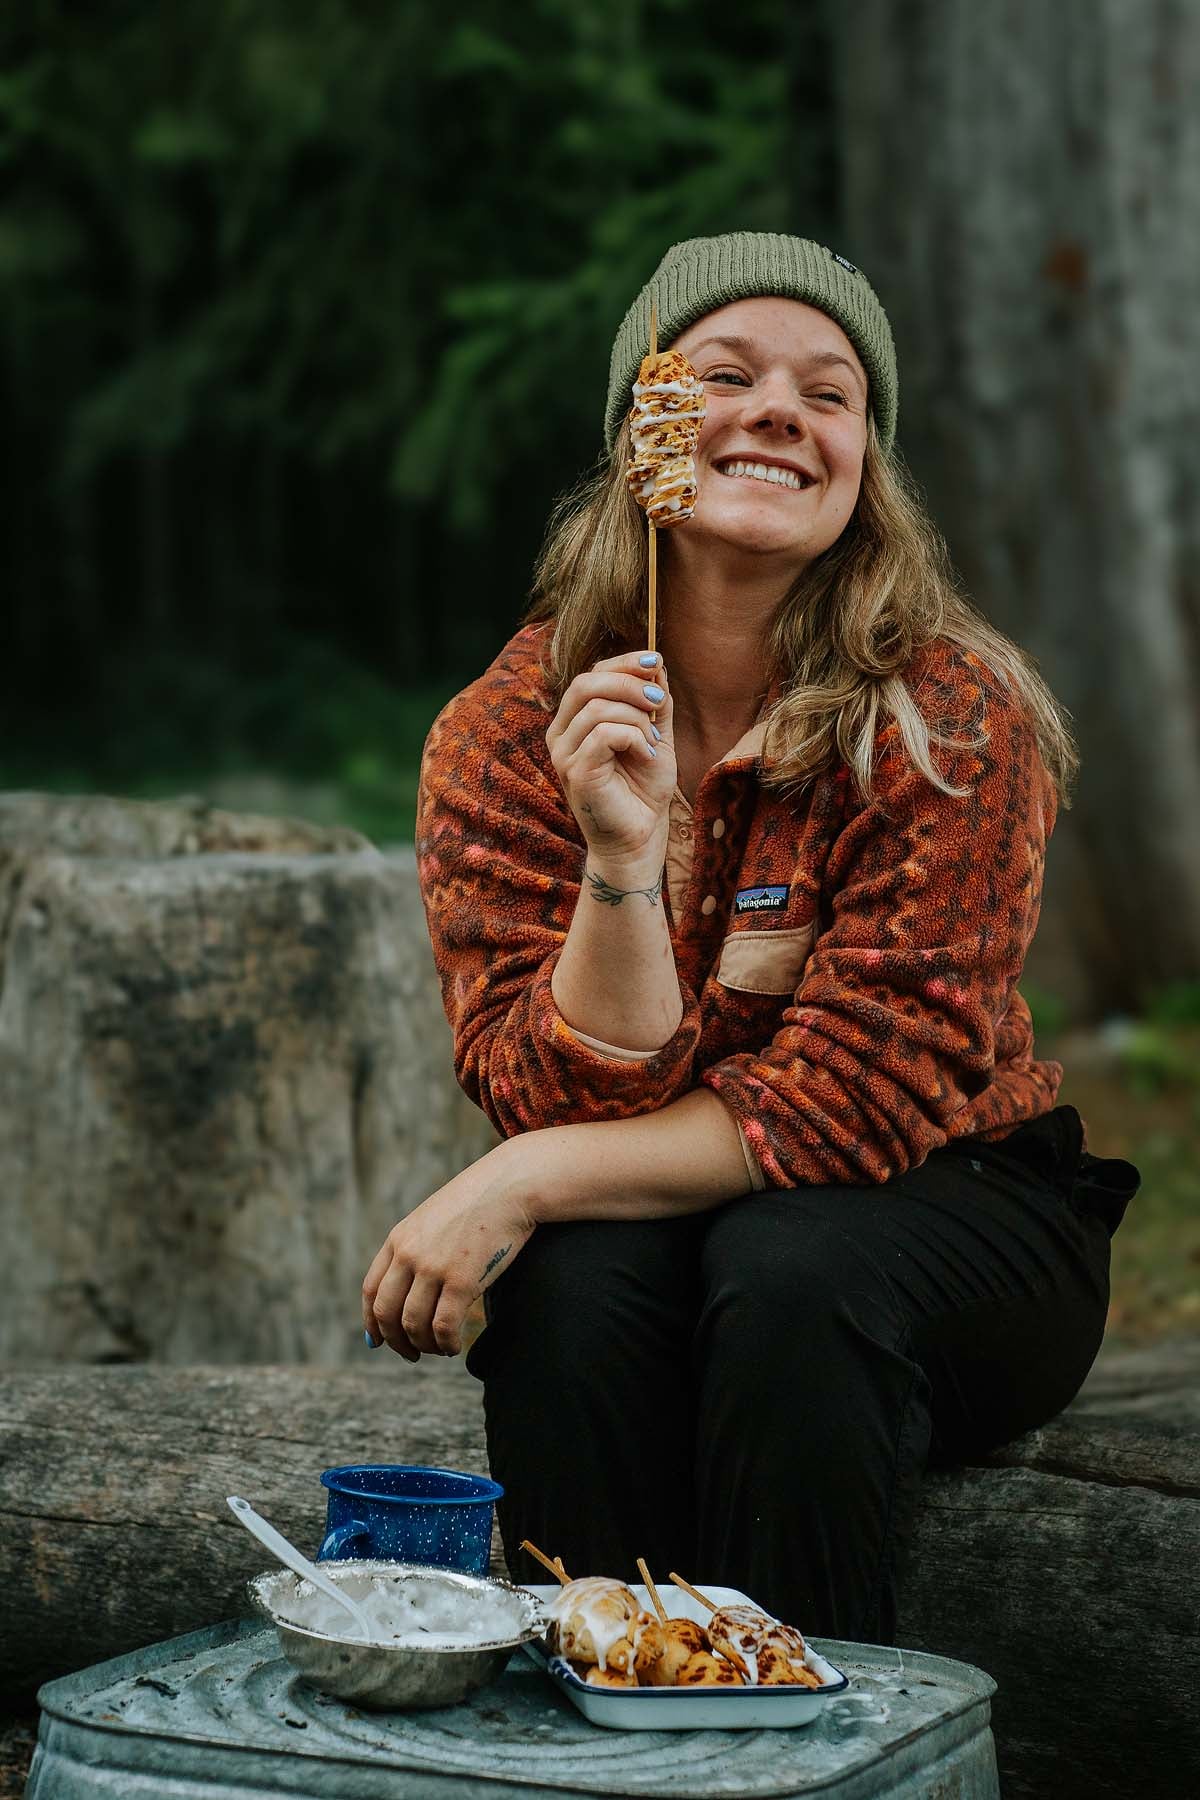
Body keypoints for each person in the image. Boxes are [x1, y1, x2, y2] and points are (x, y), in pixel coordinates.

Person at [362, 232, 1140, 1643]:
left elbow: (860, 1104)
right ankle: (600, 1709)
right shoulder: (504, 735)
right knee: (569, 1299)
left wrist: (527, 1178)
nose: (784, 409)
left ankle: (808, 1743)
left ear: (863, 464)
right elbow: (554, 1091)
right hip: (681, 1234)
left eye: (831, 393)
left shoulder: (949, 715)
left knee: (788, 1271)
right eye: (725, 373)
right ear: (642, 439)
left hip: (960, 1213)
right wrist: (618, 861)